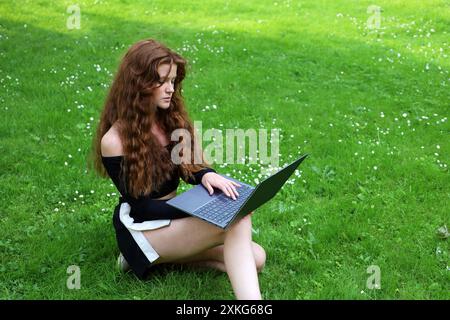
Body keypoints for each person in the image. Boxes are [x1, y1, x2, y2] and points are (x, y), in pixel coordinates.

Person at [90, 39, 266, 300]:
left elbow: (190, 167)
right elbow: (143, 207)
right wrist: (200, 208)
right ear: (138, 83)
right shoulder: (114, 141)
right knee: (237, 219)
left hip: (172, 222)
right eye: (162, 81)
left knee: (257, 257)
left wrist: (207, 175)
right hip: (144, 229)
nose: (170, 89)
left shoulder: (171, 119)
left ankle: (160, 262)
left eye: (173, 81)